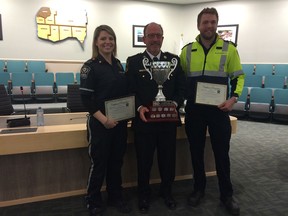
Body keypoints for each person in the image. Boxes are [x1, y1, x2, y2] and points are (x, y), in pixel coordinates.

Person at [179, 7, 244, 216]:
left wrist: (233, 98)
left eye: (213, 22)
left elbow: (238, 77)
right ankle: (199, 189)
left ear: (217, 24)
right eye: (205, 22)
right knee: (196, 152)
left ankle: (227, 194)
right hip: (195, 111)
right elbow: (180, 80)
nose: (209, 26)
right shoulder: (187, 51)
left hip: (219, 110)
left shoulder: (229, 49)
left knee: (221, 153)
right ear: (198, 25)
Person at [126, 22, 186, 213]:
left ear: (162, 38)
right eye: (151, 35)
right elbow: (129, 90)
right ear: (144, 39)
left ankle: (167, 192)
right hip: (144, 122)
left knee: (168, 160)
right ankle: (144, 195)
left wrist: (174, 105)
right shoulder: (134, 62)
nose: (155, 39)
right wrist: (139, 107)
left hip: (167, 122)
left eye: (158, 35)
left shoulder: (174, 61)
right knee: (144, 161)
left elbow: (181, 89)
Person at [79, 25, 131, 216]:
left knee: (116, 162)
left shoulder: (118, 65)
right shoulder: (89, 67)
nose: (107, 42)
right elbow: (86, 100)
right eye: (103, 39)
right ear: (96, 42)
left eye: (111, 38)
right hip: (101, 124)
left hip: (118, 123)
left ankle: (115, 196)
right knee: (99, 163)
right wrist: (104, 120)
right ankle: (92, 200)